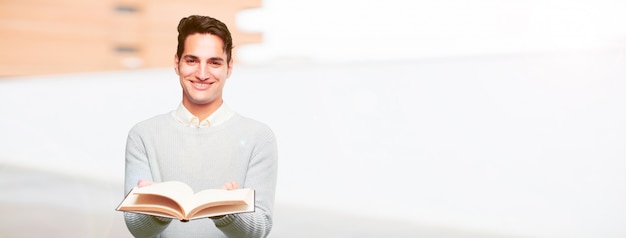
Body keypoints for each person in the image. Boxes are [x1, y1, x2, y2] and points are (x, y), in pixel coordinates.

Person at [123, 15, 278, 238]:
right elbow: (136, 228)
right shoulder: (142, 135)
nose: (202, 74)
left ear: (229, 67)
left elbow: (260, 228)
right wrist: (159, 207)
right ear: (177, 63)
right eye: (192, 60)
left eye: (214, 62)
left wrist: (227, 211)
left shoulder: (259, 137)